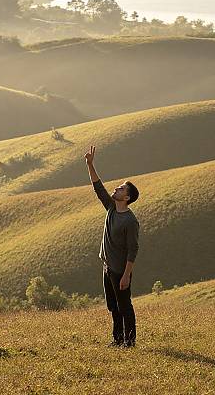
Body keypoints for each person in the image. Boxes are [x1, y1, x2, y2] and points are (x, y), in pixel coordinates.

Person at [84, 145, 140, 348]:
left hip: (120, 271)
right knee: (112, 305)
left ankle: (130, 341)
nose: (117, 188)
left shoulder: (130, 221)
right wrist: (90, 164)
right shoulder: (111, 207)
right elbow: (98, 188)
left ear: (127, 198)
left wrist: (126, 275)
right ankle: (117, 339)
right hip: (107, 266)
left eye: (121, 188)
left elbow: (133, 249)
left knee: (125, 306)